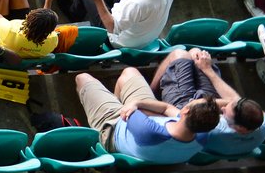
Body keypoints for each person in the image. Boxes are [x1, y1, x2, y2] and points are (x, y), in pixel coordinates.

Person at [75, 67, 220, 164]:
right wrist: (138, 103)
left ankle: (109, 103)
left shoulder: (149, 131)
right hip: (139, 123)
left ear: (185, 111)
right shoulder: (201, 136)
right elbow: (167, 107)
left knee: (82, 78)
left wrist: (136, 104)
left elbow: (127, 112)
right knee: (130, 72)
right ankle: (115, 99)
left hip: (113, 127)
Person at [149, 47, 265, 156]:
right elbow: (234, 100)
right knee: (196, 54)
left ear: (240, 129)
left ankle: (152, 90)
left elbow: (188, 110)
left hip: (188, 109)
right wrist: (207, 69)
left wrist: (216, 102)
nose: (222, 108)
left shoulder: (214, 130)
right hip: (206, 108)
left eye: (226, 113)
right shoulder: (262, 124)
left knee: (179, 54)